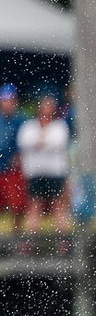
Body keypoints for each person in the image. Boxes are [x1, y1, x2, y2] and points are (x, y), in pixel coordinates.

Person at [17, 95, 71, 239]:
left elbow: (58, 144)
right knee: (35, 206)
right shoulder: (29, 126)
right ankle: (31, 240)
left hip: (55, 172)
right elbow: (24, 143)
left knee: (58, 206)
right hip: (35, 172)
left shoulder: (60, 126)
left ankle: (63, 240)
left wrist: (39, 142)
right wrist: (44, 142)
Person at [0, 84, 27, 234]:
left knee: (17, 205)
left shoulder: (21, 120)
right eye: (4, 100)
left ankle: (16, 237)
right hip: (1, 166)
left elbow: (25, 143)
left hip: (13, 169)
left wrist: (19, 156)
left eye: (9, 100)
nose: (7, 103)